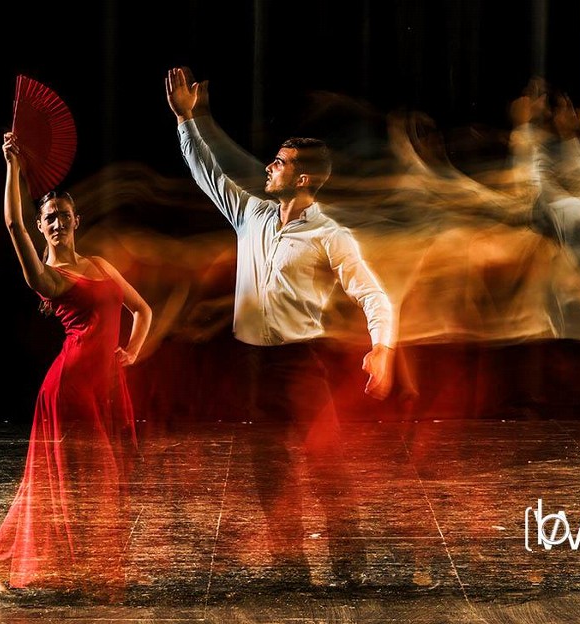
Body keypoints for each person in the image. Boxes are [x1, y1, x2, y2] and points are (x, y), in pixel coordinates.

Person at [165, 67, 395, 586]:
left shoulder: (331, 236)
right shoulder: (250, 213)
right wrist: (187, 122)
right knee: (268, 472)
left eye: (281, 162)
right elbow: (207, 172)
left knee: (325, 466)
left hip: (299, 364)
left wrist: (382, 348)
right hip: (253, 363)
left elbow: (372, 293)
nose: (269, 167)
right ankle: (290, 565)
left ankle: (348, 568)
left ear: (304, 178)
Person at [0, 132, 152, 596]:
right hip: (70, 390)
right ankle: (82, 570)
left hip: (106, 386)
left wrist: (131, 351)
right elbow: (13, 224)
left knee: (77, 478)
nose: (57, 223)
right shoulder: (48, 276)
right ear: (42, 226)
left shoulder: (99, 263)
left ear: (77, 220)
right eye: (49, 217)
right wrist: (13, 166)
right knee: (86, 479)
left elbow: (143, 311)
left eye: (64, 216)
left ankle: (8, 559)